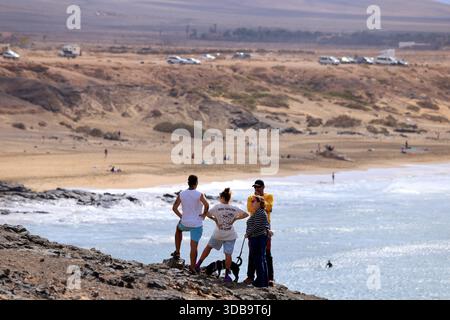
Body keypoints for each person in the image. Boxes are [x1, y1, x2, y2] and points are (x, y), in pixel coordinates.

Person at [195, 188, 249, 282]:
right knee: (228, 254)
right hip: (230, 234)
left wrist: (215, 220)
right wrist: (235, 219)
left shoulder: (217, 207)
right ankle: (227, 276)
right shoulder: (234, 208)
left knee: (208, 248)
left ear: (222, 198)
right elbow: (246, 214)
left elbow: (207, 213)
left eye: (220, 197)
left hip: (218, 233)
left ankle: (197, 265)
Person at [172, 175, 210, 274]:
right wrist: (204, 215)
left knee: (178, 229)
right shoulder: (200, 194)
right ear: (196, 183)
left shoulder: (182, 194)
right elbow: (207, 205)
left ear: (188, 182)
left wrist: (181, 216)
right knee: (194, 247)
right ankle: (192, 267)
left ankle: (177, 252)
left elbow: (174, 208)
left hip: (185, 222)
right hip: (197, 224)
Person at [244, 180, 274, 286]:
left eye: (258, 187)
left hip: (264, 227)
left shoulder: (269, 196)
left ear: (263, 187)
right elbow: (249, 208)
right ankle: (250, 276)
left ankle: (269, 278)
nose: (256, 189)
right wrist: (256, 200)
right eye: (255, 187)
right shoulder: (250, 198)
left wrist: (260, 200)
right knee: (252, 253)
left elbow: (269, 207)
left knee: (266, 253)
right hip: (253, 227)